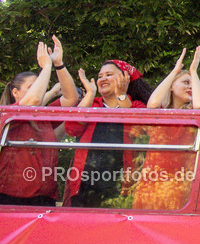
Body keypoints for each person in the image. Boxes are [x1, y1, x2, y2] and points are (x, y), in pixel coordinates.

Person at [0, 36, 79, 206]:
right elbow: (32, 101)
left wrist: (58, 64)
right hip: (10, 197)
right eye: (31, 87)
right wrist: (46, 66)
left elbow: (71, 98)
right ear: (15, 93)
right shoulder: (9, 115)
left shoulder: (43, 116)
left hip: (45, 197)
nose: (38, 91)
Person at [63, 59, 153, 207]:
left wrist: (121, 96)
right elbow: (72, 129)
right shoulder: (91, 104)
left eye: (109, 74)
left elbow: (140, 133)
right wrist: (90, 94)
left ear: (125, 78)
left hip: (120, 188)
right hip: (85, 184)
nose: (103, 79)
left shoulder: (136, 105)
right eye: (100, 76)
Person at [130, 47, 200, 210]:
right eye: (186, 82)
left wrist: (193, 71)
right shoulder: (161, 114)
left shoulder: (192, 116)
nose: (190, 87)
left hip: (180, 183)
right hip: (152, 183)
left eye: (193, 83)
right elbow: (152, 104)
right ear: (171, 86)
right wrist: (175, 71)